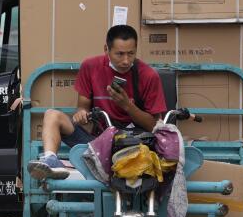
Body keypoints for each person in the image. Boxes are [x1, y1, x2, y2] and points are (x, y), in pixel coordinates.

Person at [27, 24, 168, 180]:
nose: (126, 60)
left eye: (131, 53)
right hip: (97, 144)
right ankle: (51, 160)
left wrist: (127, 106)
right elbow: (82, 107)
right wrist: (81, 114)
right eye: (119, 54)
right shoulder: (90, 66)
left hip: (133, 146)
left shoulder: (148, 75)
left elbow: (155, 126)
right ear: (106, 49)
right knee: (51, 115)